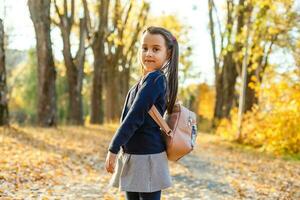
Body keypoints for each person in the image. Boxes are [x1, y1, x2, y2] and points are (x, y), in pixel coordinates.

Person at [105, 26, 179, 200]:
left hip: (148, 158)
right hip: (134, 155)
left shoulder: (156, 80)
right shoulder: (143, 82)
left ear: (167, 54)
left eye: (156, 49)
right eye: (144, 48)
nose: (149, 53)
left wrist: (113, 148)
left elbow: (135, 116)